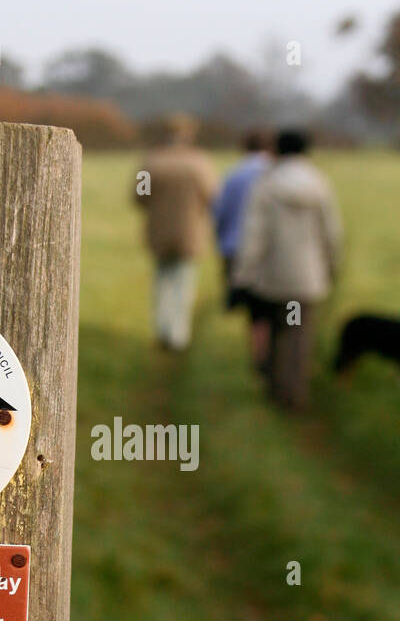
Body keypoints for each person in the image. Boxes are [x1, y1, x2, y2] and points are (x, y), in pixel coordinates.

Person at [233, 128, 341, 410]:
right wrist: (332, 266)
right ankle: (295, 392)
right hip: (307, 276)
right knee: (298, 333)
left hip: (274, 275)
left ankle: (276, 387)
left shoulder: (266, 185)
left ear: (278, 150)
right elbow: (331, 233)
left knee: (278, 330)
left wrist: (243, 274)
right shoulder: (320, 184)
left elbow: (254, 234)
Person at [133, 114, 218, 351]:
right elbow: (212, 196)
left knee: (162, 281)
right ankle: (178, 335)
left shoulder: (151, 162)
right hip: (190, 231)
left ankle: (162, 328)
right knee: (183, 281)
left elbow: (139, 197)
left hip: (159, 231)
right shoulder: (199, 163)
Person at [213, 129, 272, 369]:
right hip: (269, 251)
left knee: (254, 311)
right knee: (272, 307)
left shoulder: (233, 176)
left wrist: (221, 242)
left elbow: (220, 213)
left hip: (236, 248)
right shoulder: (274, 173)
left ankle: (258, 356)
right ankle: (270, 356)